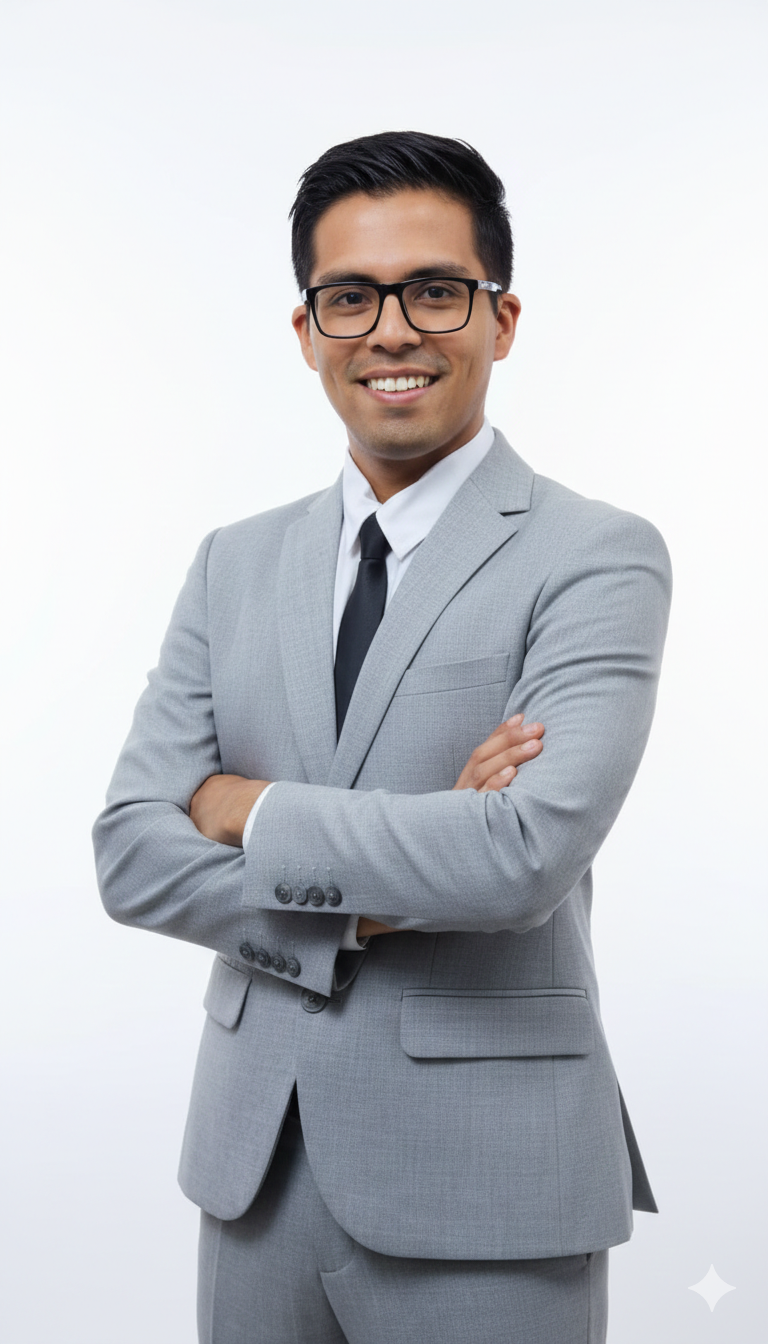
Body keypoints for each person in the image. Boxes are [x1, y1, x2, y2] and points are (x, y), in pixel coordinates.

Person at [93, 131, 671, 1344]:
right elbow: (132, 855)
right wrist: (369, 906)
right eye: (350, 298)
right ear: (307, 332)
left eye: (434, 292)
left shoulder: (597, 556)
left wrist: (246, 807)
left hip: (491, 1186)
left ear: (501, 320)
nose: (392, 331)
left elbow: (518, 857)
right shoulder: (234, 562)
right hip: (255, 1173)